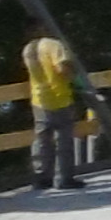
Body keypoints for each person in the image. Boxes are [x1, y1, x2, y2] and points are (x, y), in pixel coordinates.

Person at [24, 31, 88, 192]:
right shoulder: (53, 45)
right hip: (59, 97)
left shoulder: (28, 49)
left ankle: (41, 178)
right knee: (63, 140)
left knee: (42, 140)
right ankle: (63, 178)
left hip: (38, 99)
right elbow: (61, 68)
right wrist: (76, 79)